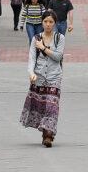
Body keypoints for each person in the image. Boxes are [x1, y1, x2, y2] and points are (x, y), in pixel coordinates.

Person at [20, 10, 65, 147]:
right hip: (39, 77)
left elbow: (58, 56)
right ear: (42, 22)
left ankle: (48, 136)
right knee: (41, 106)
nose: (48, 24)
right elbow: (31, 59)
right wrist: (31, 73)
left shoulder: (59, 38)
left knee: (52, 106)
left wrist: (44, 48)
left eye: (51, 22)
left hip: (54, 77)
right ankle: (44, 132)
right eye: (45, 21)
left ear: (55, 23)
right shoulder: (36, 38)